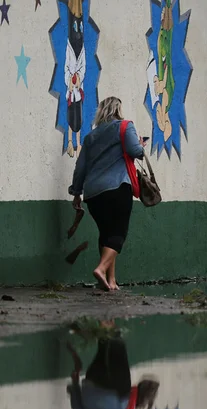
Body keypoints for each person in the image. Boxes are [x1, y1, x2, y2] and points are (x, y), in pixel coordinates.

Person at [68, 96, 147, 291]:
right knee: (118, 233)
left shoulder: (90, 137)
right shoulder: (125, 126)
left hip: (93, 194)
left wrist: (76, 192)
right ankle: (101, 269)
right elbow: (135, 150)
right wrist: (141, 146)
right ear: (118, 110)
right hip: (117, 187)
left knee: (106, 234)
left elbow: (80, 167)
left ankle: (111, 281)